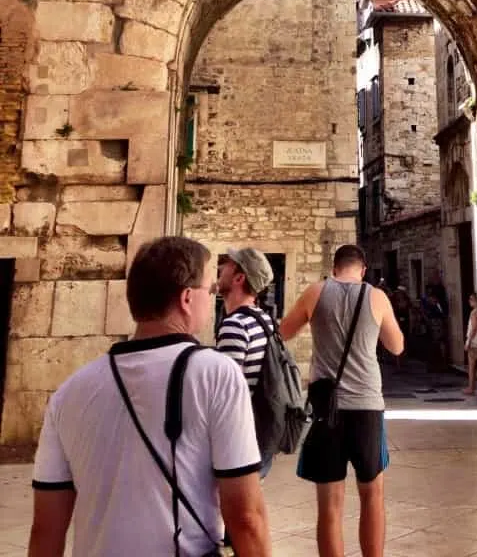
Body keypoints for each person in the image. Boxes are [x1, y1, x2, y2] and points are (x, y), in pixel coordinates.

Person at [28, 236, 272, 557]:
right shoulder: (216, 374)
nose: (212, 297)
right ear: (187, 298)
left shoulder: (68, 393)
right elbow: (246, 517)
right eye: (209, 290)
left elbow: (46, 529)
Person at [279, 243, 404, 557]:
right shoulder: (376, 296)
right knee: (372, 494)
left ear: (334, 268)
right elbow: (397, 345)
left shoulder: (316, 292)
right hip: (367, 407)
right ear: (362, 269)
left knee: (330, 505)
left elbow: (284, 332)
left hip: (326, 410)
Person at [216, 247, 275, 476]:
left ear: (239, 278)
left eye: (228, 264)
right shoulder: (264, 319)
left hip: (240, 436)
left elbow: (225, 392)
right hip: (260, 433)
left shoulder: (235, 325)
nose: (221, 267)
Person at [463, 292, 477, 396]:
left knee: (471, 366)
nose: (469, 301)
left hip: (474, 342)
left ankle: (471, 388)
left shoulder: (474, 312)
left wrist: (468, 341)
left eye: (471, 299)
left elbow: (474, 328)